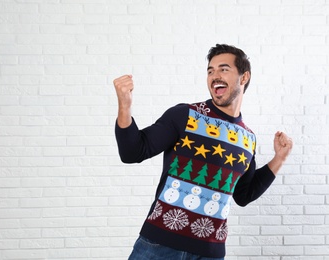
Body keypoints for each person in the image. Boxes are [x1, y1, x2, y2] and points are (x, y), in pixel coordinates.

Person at [113, 44, 293, 260]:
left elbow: (244, 195)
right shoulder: (185, 115)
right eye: (210, 70)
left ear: (244, 77)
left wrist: (279, 158)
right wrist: (125, 105)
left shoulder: (247, 139)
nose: (215, 76)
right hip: (159, 246)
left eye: (223, 69)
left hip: (210, 253)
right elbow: (133, 152)